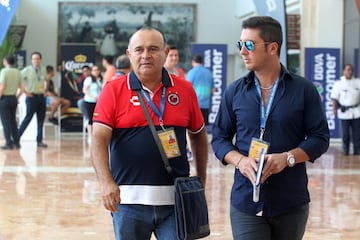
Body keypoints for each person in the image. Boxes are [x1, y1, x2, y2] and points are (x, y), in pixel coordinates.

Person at [211, 16, 330, 240]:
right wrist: (240, 160)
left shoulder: (304, 90)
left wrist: (288, 158)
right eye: (240, 44)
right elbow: (219, 138)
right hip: (245, 201)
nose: (242, 51)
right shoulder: (235, 91)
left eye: (249, 45)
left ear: (272, 47)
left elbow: (320, 137)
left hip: (290, 201)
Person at [91, 27, 208, 240]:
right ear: (129, 54)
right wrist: (105, 182)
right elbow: (98, 139)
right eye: (139, 49)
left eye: (153, 49)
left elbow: (199, 135)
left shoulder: (184, 90)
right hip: (128, 203)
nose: (146, 55)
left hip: (176, 202)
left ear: (165, 52)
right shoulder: (113, 90)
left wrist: (201, 179)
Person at [16, 51, 49, 148]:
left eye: (38, 59)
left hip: (41, 97)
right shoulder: (26, 70)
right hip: (31, 97)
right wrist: (25, 92)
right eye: (34, 59)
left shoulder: (43, 70)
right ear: (31, 60)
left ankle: (39, 141)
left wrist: (45, 90)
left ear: (40, 60)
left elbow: (46, 80)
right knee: (28, 118)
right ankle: (16, 138)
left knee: (41, 120)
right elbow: (19, 81)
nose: (36, 61)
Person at [331, 63, 360, 155]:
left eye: (351, 70)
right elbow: (334, 98)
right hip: (344, 112)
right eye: (347, 70)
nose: (349, 72)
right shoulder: (338, 84)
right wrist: (334, 109)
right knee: (345, 134)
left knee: (357, 134)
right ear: (343, 71)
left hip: (357, 111)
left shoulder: (358, 82)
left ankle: (357, 150)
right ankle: (346, 150)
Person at [0, 56, 24, 150]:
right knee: (13, 121)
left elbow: (2, 86)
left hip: (4, 99)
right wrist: (17, 97)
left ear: (5, 61)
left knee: (6, 122)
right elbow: (22, 88)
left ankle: (8, 143)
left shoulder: (4, 71)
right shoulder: (18, 72)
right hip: (14, 98)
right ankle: (16, 142)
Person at [186, 54, 214, 125]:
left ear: (193, 62)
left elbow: (186, 88)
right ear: (202, 62)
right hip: (205, 106)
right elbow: (212, 90)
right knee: (204, 129)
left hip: (194, 106)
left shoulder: (191, 72)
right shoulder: (209, 73)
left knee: (193, 129)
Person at [82, 65, 103, 144]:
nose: (96, 71)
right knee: (90, 118)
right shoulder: (89, 79)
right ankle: (90, 136)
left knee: (97, 119)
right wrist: (93, 96)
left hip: (98, 102)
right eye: (94, 70)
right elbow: (85, 90)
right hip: (89, 101)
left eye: (97, 70)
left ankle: (96, 135)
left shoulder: (101, 79)